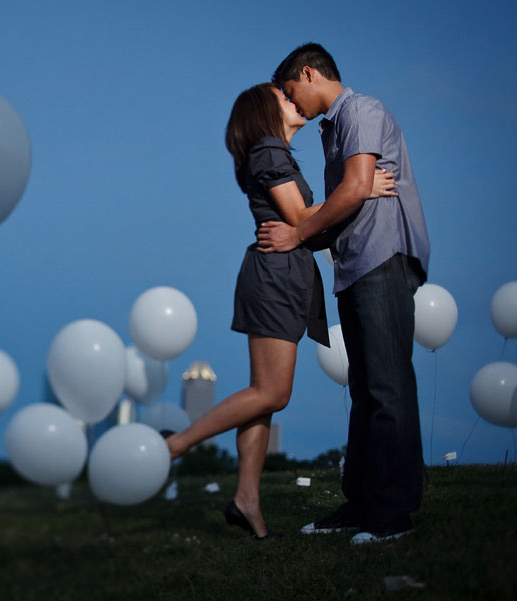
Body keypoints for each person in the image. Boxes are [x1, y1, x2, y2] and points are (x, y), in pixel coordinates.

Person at [164, 82, 395, 539]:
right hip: (274, 276)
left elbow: (303, 220)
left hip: (280, 275)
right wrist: (361, 189)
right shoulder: (268, 149)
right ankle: (177, 444)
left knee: (264, 393)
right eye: (281, 96)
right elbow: (298, 219)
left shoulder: (273, 153)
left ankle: (246, 499)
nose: (292, 99)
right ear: (262, 112)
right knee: (273, 393)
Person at [258, 43, 430, 544]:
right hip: (354, 266)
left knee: (388, 387)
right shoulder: (335, 129)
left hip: (382, 259)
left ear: (308, 73)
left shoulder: (361, 110)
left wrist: (298, 234)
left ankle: (394, 513)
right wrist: (341, 201)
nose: (295, 106)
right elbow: (348, 197)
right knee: (365, 391)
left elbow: (355, 189)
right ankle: (361, 504)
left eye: (292, 93)